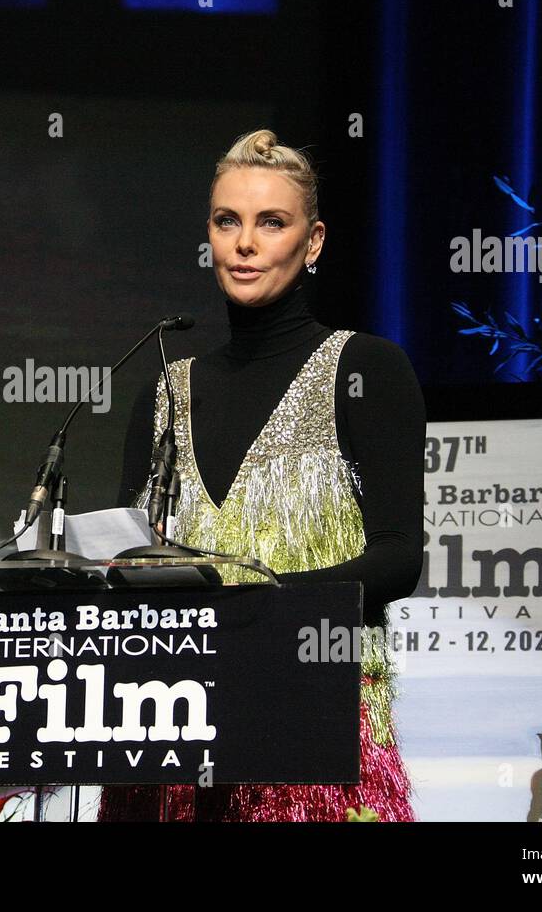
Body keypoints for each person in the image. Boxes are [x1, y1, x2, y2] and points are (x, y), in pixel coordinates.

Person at [98, 128, 424, 822]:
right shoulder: (164, 391)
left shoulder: (365, 369)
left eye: (271, 222)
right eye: (228, 221)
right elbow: (126, 564)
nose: (245, 243)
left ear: (313, 242)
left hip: (313, 741)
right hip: (169, 745)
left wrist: (256, 605)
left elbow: (399, 557)